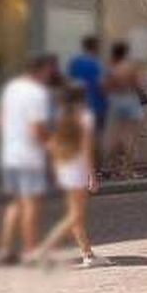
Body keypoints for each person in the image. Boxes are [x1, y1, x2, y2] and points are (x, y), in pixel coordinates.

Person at [0, 55, 57, 265]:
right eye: (49, 71)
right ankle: (30, 252)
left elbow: (1, 120)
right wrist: (52, 147)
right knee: (31, 204)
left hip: (10, 154)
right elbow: (37, 128)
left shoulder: (11, 88)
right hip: (29, 155)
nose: (50, 75)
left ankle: (4, 249)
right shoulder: (37, 93)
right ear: (41, 71)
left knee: (15, 202)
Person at [34, 84, 103, 267]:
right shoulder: (85, 117)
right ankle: (43, 250)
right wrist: (93, 176)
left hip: (66, 168)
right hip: (78, 170)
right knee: (74, 215)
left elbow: (52, 145)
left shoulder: (61, 117)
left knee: (76, 215)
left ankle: (87, 253)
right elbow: (87, 150)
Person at [103, 41, 145, 179]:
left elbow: (106, 87)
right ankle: (128, 170)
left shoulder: (112, 69)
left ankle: (114, 169)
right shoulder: (130, 67)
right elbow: (138, 84)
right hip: (130, 100)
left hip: (116, 101)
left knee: (115, 136)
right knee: (130, 138)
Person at [67, 36, 108, 157]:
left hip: (78, 104)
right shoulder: (96, 63)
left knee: (79, 134)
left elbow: (70, 82)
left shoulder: (75, 62)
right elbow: (101, 84)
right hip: (96, 103)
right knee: (95, 135)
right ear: (95, 47)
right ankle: (94, 165)